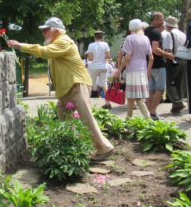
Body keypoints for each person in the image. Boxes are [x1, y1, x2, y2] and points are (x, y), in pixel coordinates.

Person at [7, 17, 114, 162]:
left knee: (85, 117)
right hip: (67, 87)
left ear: (56, 31)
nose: (43, 34)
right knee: (64, 116)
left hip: (77, 84)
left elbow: (44, 52)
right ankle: (75, 145)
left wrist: (21, 46)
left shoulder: (63, 41)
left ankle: (104, 148)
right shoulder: (57, 42)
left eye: (46, 31)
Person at [113, 19, 153, 118]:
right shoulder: (145, 38)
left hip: (132, 71)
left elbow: (127, 56)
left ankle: (148, 119)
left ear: (130, 28)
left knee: (137, 98)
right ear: (141, 27)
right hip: (143, 70)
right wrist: (148, 72)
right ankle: (129, 118)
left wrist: (119, 70)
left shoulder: (129, 38)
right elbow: (151, 58)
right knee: (131, 97)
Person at [144, 11, 174, 120]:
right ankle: (152, 112)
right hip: (158, 63)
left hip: (147, 64)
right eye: (162, 19)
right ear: (155, 19)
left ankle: (148, 113)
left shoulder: (145, 31)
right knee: (160, 88)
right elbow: (155, 49)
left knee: (151, 89)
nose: (163, 22)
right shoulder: (156, 32)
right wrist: (167, 54)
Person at [164, 16, 187, 115]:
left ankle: (177, 103)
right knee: (179, 83)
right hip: (183, 60)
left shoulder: (170, 34)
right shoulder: (183, 34)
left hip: (173, 59)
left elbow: (168, 49)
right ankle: (176, 106)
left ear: (168, 26)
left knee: (168, 82)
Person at [86, 30, 112, 109]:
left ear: (94, 37)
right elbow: (108, 56)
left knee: (90, 84)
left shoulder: (91, 45)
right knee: (104, 85)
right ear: (102, 37)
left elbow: (90, 59)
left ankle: (87, 102)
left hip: (94, 67)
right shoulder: (105, 44)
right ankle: (108, 103)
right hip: (103, 66)